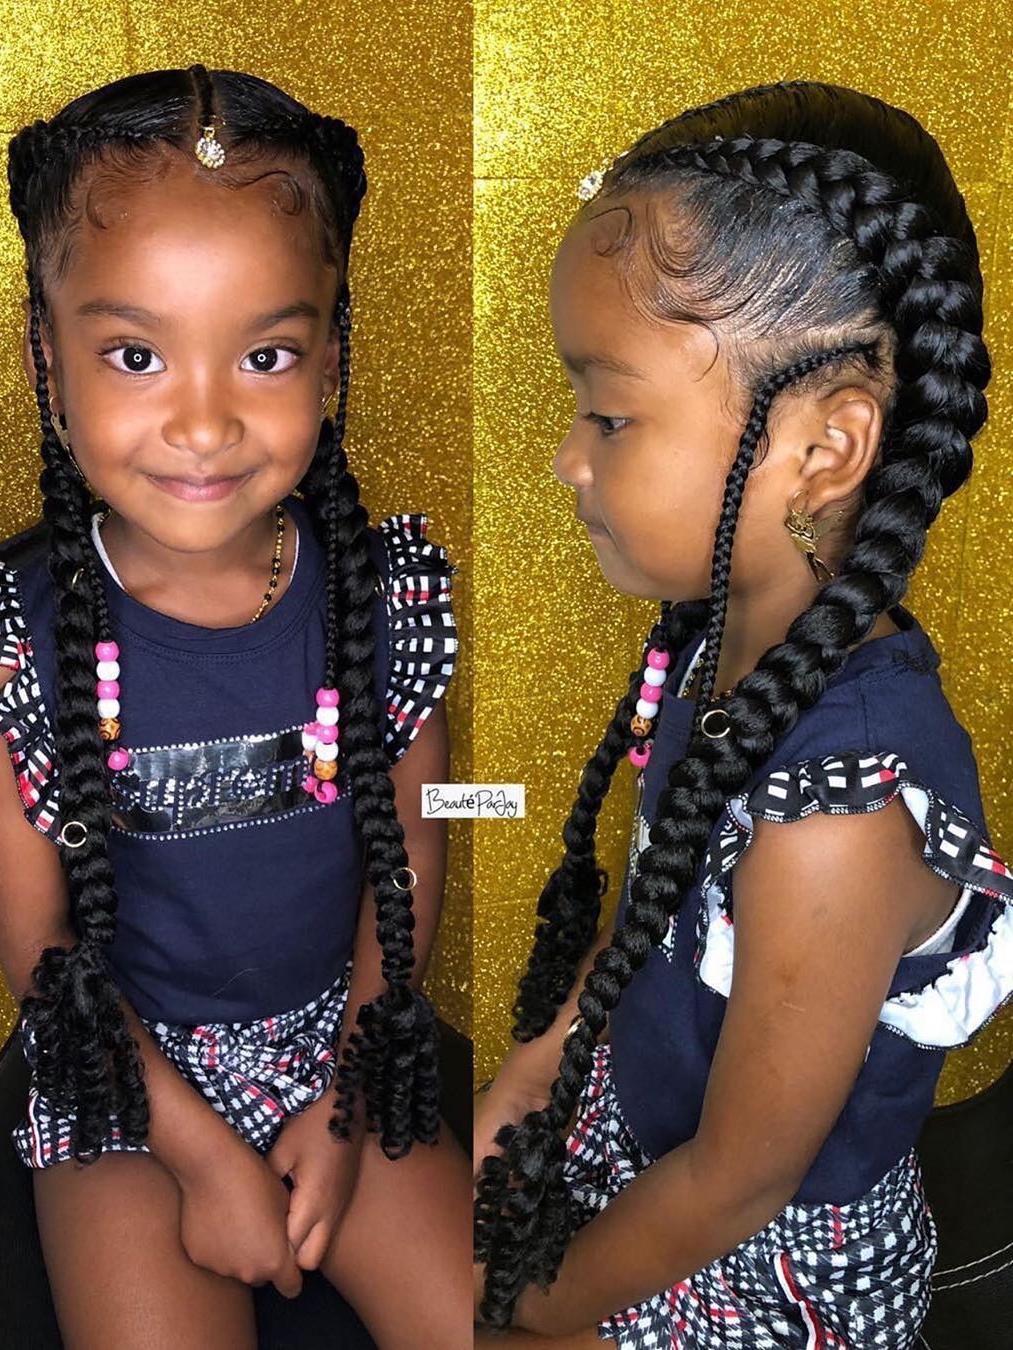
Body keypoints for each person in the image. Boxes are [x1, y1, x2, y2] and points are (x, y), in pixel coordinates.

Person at [472, 79, 1013, 1349]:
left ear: (825, 451)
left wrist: (535, 1304)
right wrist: (546, 1056)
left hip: (763, 1265)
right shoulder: (718, 645)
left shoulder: (840, 820)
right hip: (642, 1136)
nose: (566, 458)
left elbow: (738, 1181)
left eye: (609, 414)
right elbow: (658, 892)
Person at [0, 63, 466, 1348]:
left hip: (338, 1045)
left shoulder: (384, 604)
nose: (203, 422)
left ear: (331, 358)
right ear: (45, 358)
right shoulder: (15, 646)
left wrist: (344, 1106)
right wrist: (200, 1156)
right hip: (124, 1079)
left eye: (265, 354)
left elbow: (418, 833)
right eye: (136, 354)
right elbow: (43, 950)